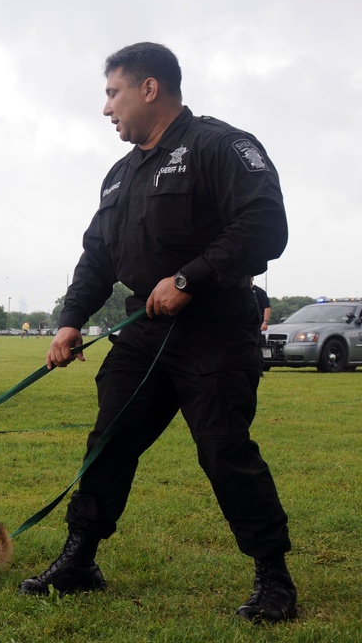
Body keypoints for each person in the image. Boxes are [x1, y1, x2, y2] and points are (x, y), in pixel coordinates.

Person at [17, 43, 296, 623]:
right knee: (108, 444)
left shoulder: (218, 146)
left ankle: (274, 576)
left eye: (112, 93)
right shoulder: (119, 177)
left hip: (216, 332)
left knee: (224, 451)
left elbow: (266, 224)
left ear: (149, 89)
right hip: (143, 336)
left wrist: (189, 279)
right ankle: (81, 560)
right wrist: (70, 321)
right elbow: (97, 256)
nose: (106, 109)